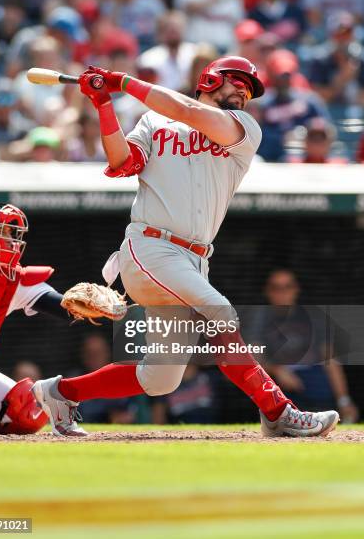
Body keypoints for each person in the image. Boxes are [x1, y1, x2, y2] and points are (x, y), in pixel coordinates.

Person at [33, 55, 339, 438]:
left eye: (249, 89)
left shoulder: (244, 127)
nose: (243, 92)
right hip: (151, 246)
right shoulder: (153, 121)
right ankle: (279, 412)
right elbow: (122, 162)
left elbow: (185, 109)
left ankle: (60, 393)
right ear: (210, 79)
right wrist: (104, 105)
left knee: (160, 378)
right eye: (236, 82)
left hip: (194, 260)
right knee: (221, 313)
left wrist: (122, 81)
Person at [0, 201, 92, 436]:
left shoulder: (11, 279)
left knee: (27, 414)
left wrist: (90, 306)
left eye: (11, 232)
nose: (10, 240)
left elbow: (63, 307)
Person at [248, 269, 359, 423]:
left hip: (314, 381)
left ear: (296, 289)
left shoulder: (313, 317)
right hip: (278, 385)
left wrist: (344, 401)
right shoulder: (259, 318)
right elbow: (253, 356)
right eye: (276, 288)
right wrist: (277, 370)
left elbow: (330, 360)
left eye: (287, 287)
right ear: (267, 291)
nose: (282, 293)